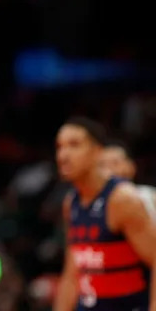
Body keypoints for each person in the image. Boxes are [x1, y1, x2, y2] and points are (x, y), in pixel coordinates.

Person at [54, 118, 156, 311]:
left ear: (97, 152)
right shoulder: (71, 202)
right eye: (59, 147)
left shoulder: (121, 199)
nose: (63, 155)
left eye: (74, 145)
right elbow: (72, 271)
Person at [101, 141, 156, 220]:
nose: (109, 171)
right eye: (103, 165)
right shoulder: (87, 203)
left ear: (131, 166)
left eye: (115, 163)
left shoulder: (151, 196)